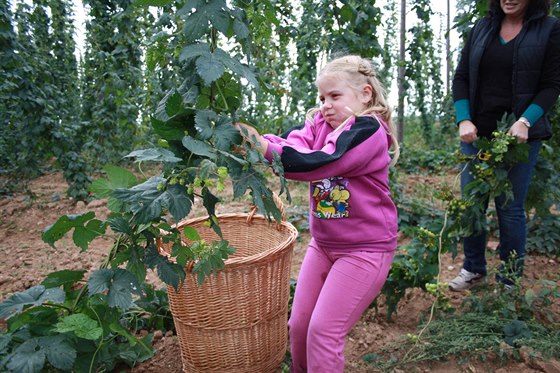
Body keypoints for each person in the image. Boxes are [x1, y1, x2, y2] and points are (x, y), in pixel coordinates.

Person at [235, 55, 399, 372]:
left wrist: (263, 149)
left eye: (335, 96)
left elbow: (321, 161)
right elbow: (295, 144)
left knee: (324, 332)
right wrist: (263, 142)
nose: (326, 104)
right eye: (322, 97)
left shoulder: (367, 131)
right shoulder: (319, 124)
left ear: (365, 93)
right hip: (323, 245)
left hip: (364, 250)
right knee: (299, 326)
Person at [450, 0, 560, 291]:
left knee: (509, 208)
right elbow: (461, 77)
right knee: (472, 204)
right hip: (477, 135)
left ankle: (509, 280)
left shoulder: (549, 29)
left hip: (518, 137)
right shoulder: (483, 28)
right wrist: (464, 119)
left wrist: (525, 121)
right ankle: (473, 269)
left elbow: (552, 85)